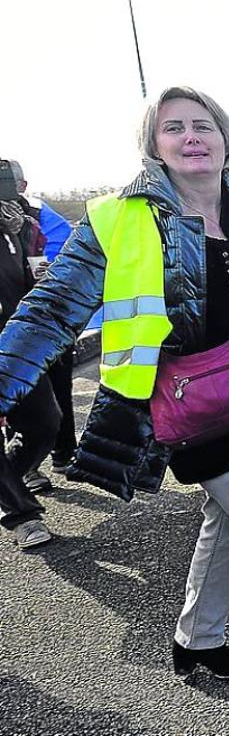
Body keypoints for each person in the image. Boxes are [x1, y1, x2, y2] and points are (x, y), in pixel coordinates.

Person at [0, 87, 229, 683]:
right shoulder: (117, 218)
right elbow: (50, 310)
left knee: (228, 520)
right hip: (192, 405)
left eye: (204, 125)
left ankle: (197, 642)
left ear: (226, 139)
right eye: (174, 128)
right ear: (154, 145)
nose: (192, 137)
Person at [5, 161, 76, 489]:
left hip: (43, 321)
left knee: (56, 396)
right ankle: (23, 483)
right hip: (11, 332)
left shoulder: (32, 220)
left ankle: (62, 453)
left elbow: (60, 256)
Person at [0, 194, 61, 548]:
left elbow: (29, 277)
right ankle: (22, 514)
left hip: (17, 345)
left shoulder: (16, 225)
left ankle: (9, 482)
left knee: (45, 423)